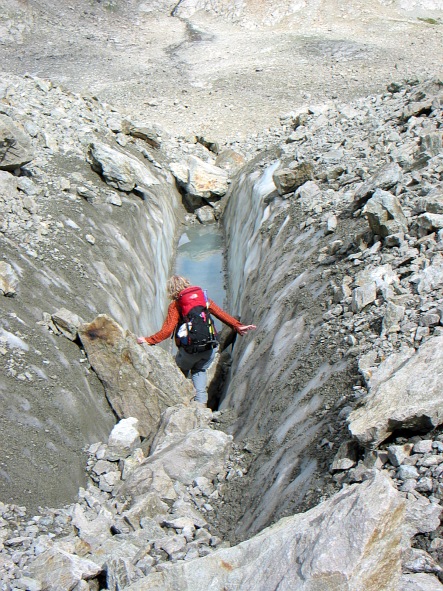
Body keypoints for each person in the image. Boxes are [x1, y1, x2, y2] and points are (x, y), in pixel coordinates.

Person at [137, 275, 256, 405]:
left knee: (178, 372)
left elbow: (167, 331)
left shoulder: (176, 305)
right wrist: (238, 326)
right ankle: (201, 409)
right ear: (187, 284)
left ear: (171, 290)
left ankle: (179, 405)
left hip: (189, 352)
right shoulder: (203, 298)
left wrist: (148, 340)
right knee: (200, 371)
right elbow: (221, 313)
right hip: (209, 349)